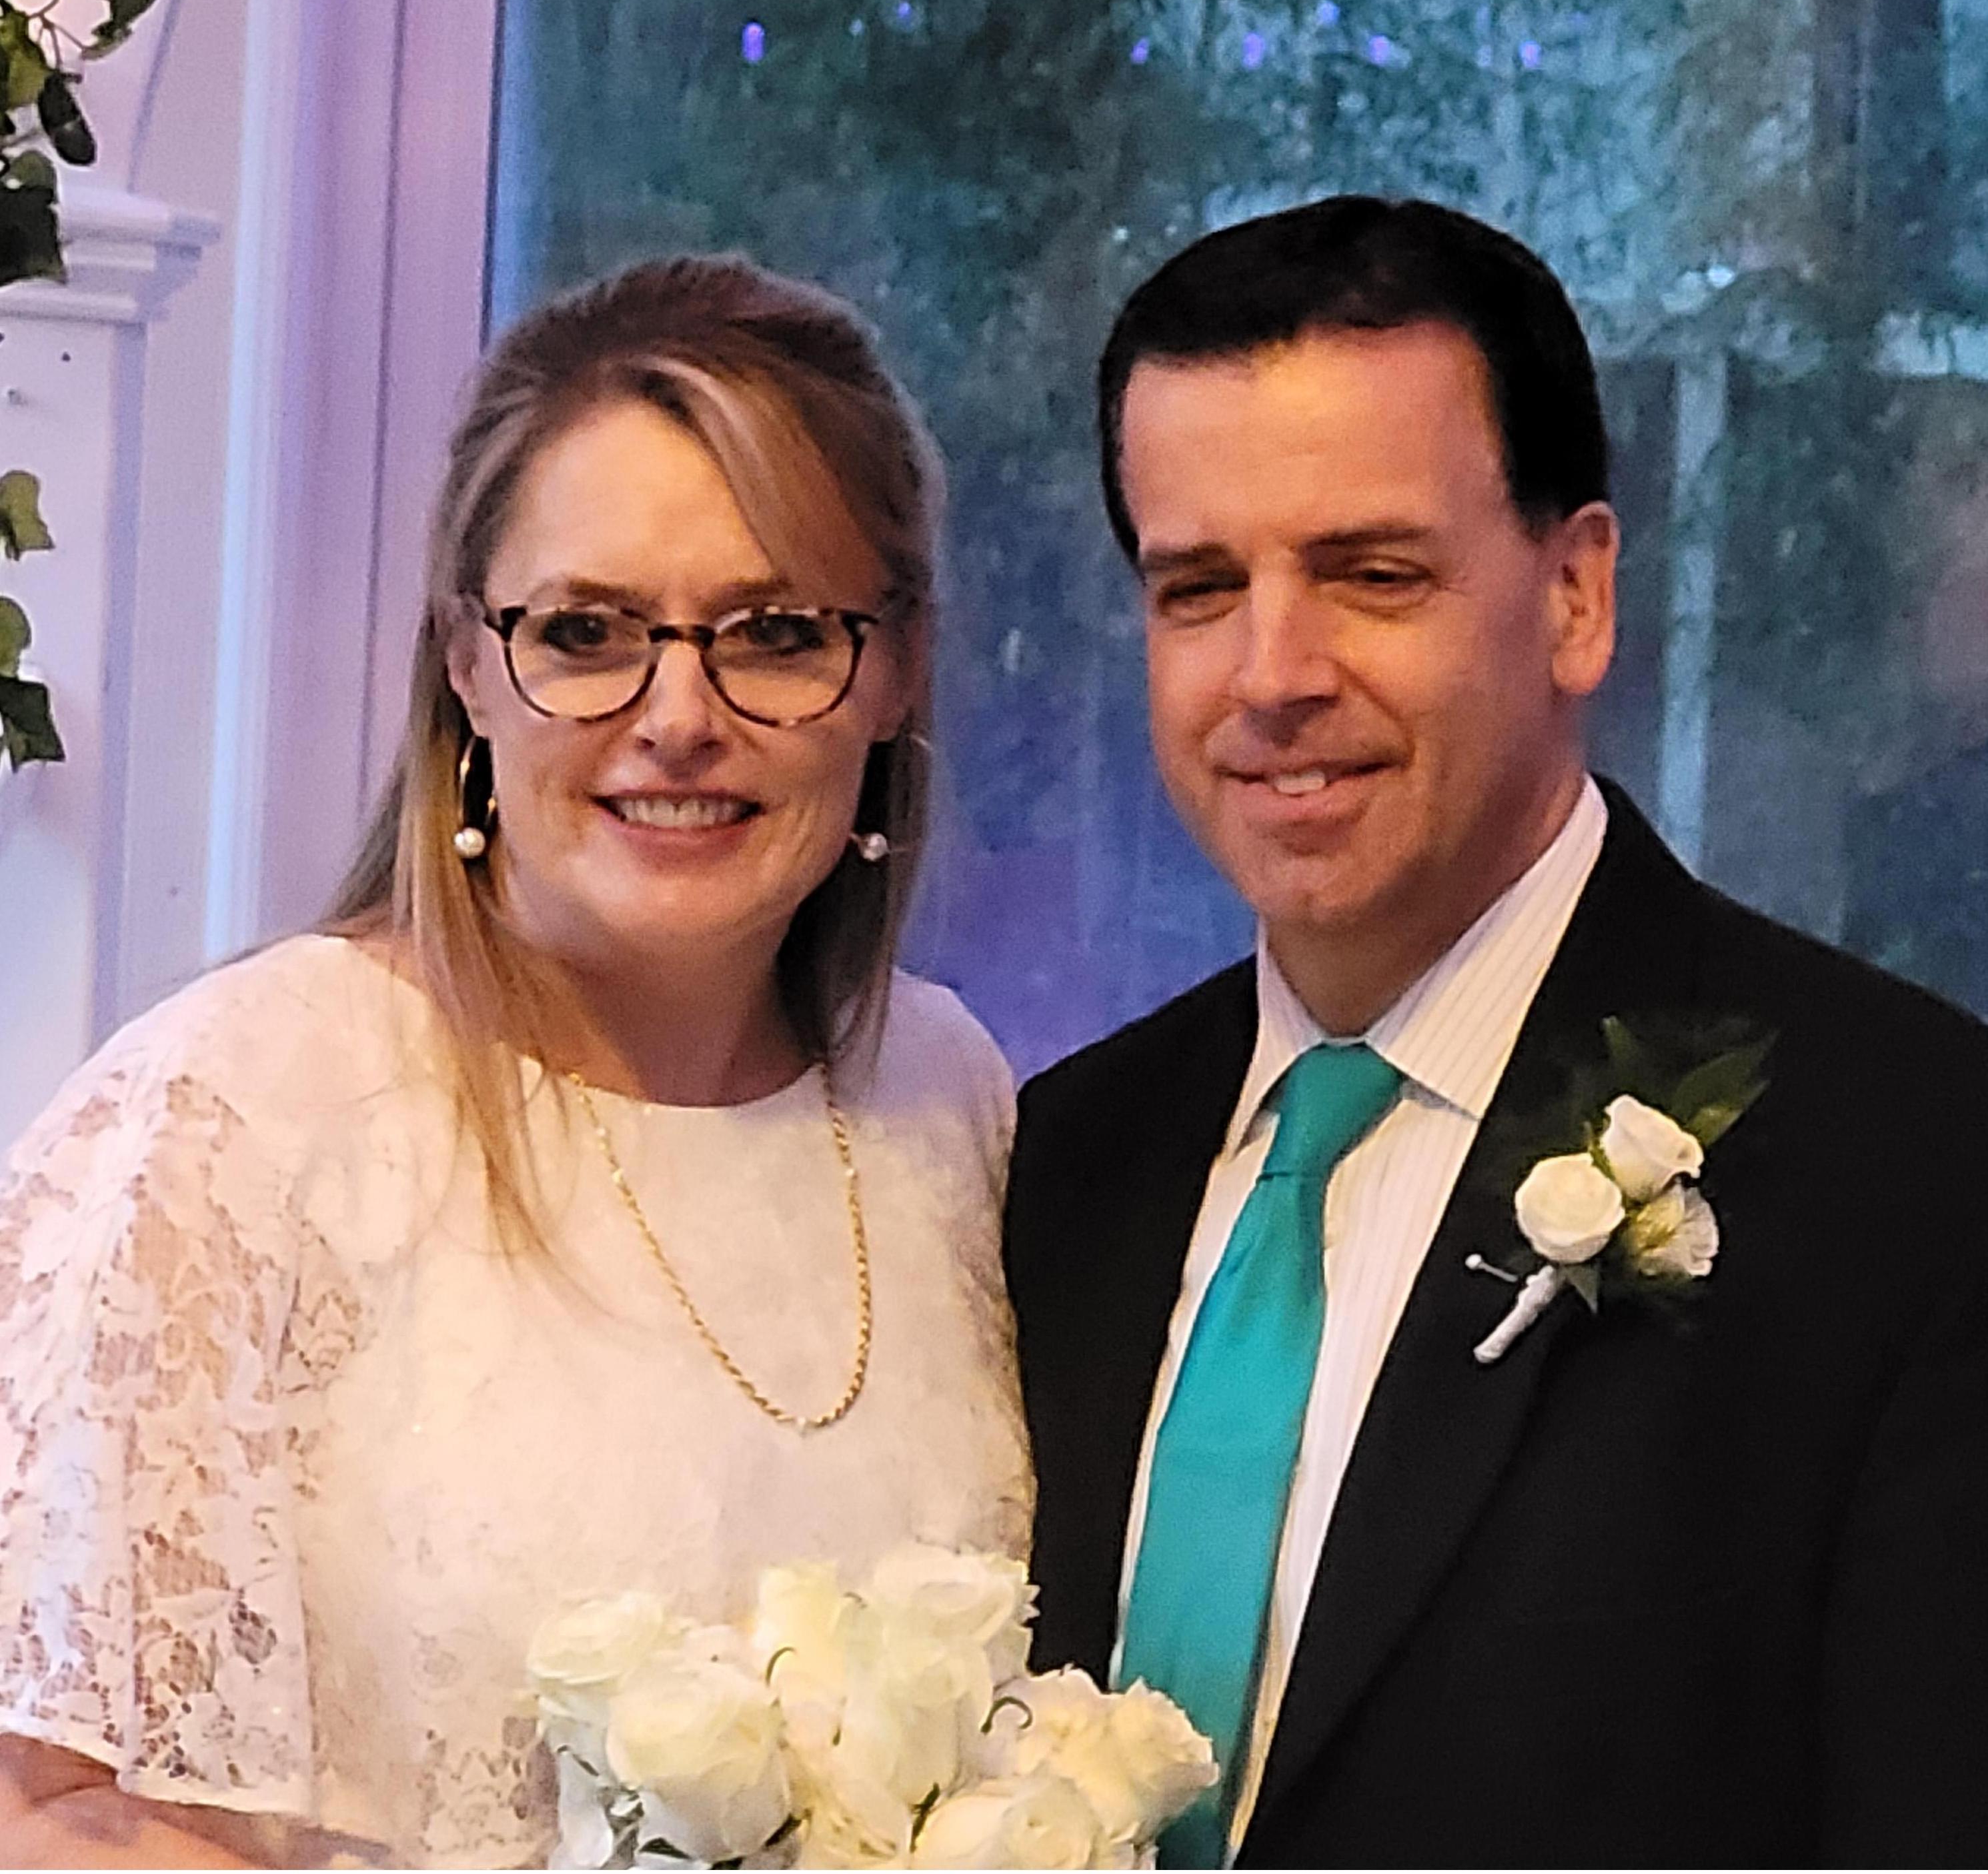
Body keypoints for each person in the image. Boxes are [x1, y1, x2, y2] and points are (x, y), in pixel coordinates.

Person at [0, 257, 1031, 1866]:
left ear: (894, 670)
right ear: (468, 668)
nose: (677, 716)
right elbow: (44, 1804)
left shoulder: (950, 1100)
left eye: (774, 633)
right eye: (586, 631)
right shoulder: (238, 1112)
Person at [1004, 197, 1988, 1866]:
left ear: (1577, 597)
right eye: (1200, 589)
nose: (1272, 674)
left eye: (1372, 576)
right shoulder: (1062, 1160)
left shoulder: (1916, 1168)